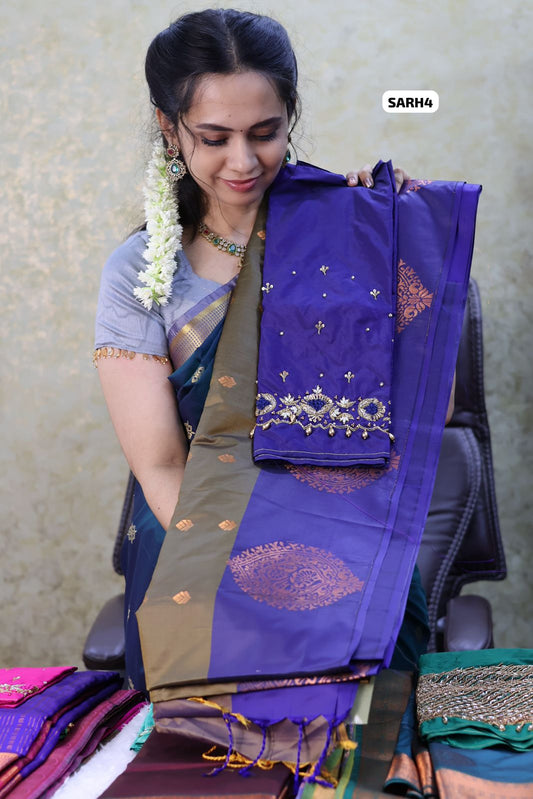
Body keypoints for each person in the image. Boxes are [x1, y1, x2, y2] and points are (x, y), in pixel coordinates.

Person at [94, 7, 476, 789]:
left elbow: (426, 420)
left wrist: (399, 249)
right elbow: (160, 464)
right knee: (212, 777)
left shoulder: (357, 231)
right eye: (213, 137)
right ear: (169, 128)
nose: (243, 160)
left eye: (264, 132)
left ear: (290, 117)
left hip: (350, 548)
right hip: (199, 556)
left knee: (363, 772)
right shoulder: (139, 273)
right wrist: (252, 577)